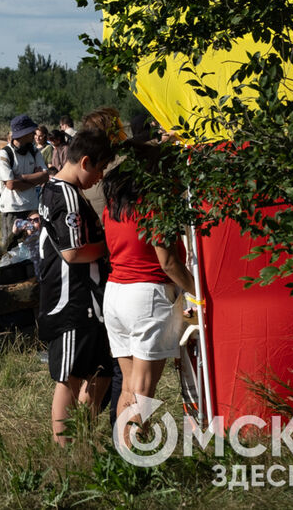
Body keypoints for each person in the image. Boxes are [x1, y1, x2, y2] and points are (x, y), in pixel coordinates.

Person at [101, 144, 193, 445]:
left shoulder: (114, 203)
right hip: (146, 297)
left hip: (115, 295)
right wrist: (200, 292)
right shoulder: (155, 205)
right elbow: (168, 262)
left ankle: (121, 455)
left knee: (129, 386)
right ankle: (134, 460)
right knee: (143, 393)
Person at [37, 129, 116, 446]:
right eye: (98, 170)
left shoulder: (55, 187)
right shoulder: (67, 195)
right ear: (84, 162)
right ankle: (65, 448)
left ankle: (80, 439)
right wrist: (110, 246)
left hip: (87, 300)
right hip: (72, 301)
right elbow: (73, 252)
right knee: (69, 379)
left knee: (98, 374)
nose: (98, 178)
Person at [0, 114, 49, 248]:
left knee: (33, 247)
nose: (34, 134)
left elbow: (45, 175)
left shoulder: (35, 151)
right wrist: (35, 178)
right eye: (31, 132)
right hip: (12, 209)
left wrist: (22, 178)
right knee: (10, 248)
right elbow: (11, 184)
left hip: (31, 207)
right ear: (22, 134)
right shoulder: (4, 154)